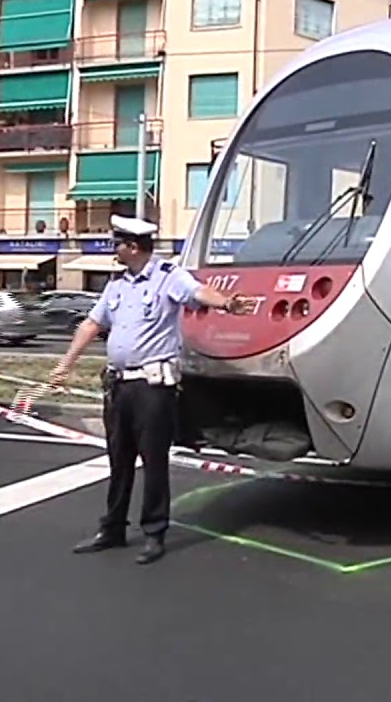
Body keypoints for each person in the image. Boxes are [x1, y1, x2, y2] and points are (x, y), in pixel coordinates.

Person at [50, 214, 254, 564]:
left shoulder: (168, 277)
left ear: (132, 247)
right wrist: (66, 363)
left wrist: (226, 303)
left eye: (117, 244)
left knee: (154, 461)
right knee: (119, 460)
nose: (113, 249)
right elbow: (92, 323)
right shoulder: (117, 285)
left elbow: (198, 292)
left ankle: (154, 532)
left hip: (152, 387)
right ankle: (112, 528)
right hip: (118, 386)